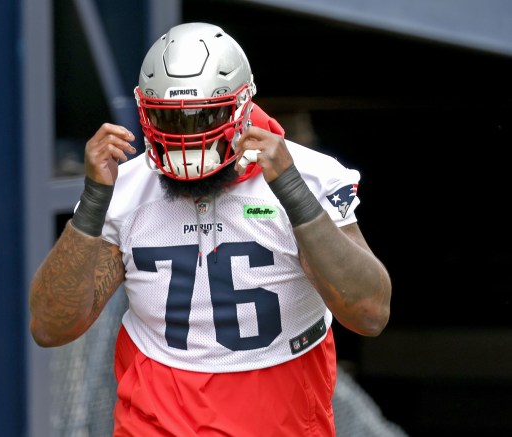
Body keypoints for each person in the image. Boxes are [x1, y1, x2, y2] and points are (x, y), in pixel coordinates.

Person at [29, 22, 392, 436]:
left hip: (280, 420)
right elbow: (49, 326)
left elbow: (369, 313)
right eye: (172, 120)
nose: (187, 138)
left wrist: (294, 195)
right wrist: (93, 202)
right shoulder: (124, 189)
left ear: (241, 106)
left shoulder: (308, 177)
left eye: (204, 118)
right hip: (155, 421)